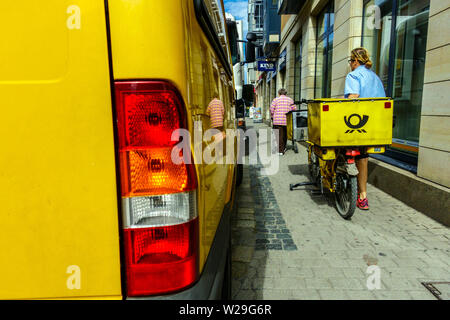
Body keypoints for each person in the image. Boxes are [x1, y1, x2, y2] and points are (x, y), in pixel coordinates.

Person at [344, 47, 386, 211]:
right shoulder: (375, 77)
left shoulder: (353, 75)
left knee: (334, 140)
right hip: (373, 124)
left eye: (350, 61)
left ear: (355, 61)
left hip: (357, 124)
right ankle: (363, 197)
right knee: (364, 157)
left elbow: (353, 98)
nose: (350, 65)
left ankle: (346, 167)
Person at [270, 88, 295, 155]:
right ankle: (283, 147)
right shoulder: (290, 100)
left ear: (279, 93)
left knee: (278, 136)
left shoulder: (275, 100)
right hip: (287, 120)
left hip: (277, 121)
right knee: (284, 135)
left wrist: (272, 117)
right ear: (286, 93)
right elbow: (294, 109)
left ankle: (280, 151)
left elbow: (271, 109)